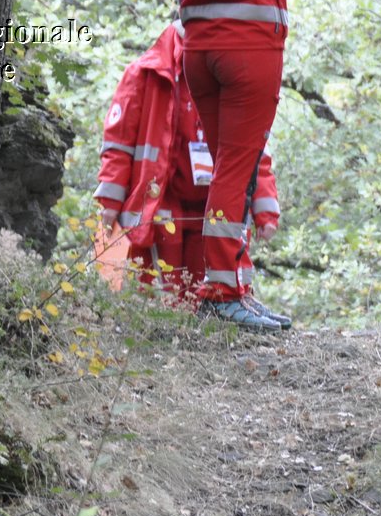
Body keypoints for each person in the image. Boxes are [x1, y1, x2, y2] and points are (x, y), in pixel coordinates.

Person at [94, 20, 287, 330]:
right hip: (162, 204)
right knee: (163, 295)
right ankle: (164, 344)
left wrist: (265, 209)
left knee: (207, 293)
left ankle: (205, 342)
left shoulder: (229, 75)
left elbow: (252, 147)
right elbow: (118, 145)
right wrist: (109, 202)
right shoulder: (144, 75)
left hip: (212, 209)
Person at [178, 0, 290, 331]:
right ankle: (224, 293)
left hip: (198, 47)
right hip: (249, 46)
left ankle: (236, 287)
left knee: (227, 170)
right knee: (236, 172)